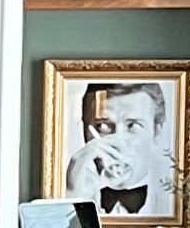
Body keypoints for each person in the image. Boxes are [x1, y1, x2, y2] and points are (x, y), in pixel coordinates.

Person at [67, 77, 179, 220]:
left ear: (157, 131)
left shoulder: (174, 209)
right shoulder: (70, 194)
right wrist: (72, 197)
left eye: (133, 125)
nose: (118, 142)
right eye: (103, 126)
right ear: (85, 133)